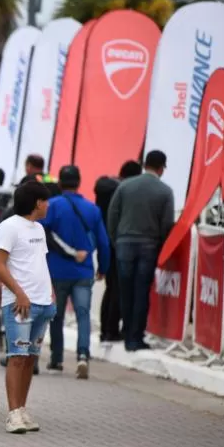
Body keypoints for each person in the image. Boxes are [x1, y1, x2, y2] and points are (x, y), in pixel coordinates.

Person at [0, 180, 55, 434]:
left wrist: (51, 294)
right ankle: (13, 413)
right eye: (46, 201)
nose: (48, 205)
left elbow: (40, 263)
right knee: (16, 357)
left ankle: (23, 409)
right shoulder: (8, 227)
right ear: (37, 203)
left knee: (30, 358)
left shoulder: (38, 229)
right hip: (19, 304)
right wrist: (19, 293)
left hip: (42, 303)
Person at [42, 165, 111, 378]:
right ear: (79, 182)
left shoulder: (51, 206)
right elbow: (103, 242)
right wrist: (103, 268)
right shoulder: (93, 209)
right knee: (83, 315)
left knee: (57, 316)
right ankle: (82, 356)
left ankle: (56, 359)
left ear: (60, 183)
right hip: (83, 271)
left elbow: (42, 233)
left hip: (56, 270)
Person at [107, 150, 175, 352]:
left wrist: (116, 240)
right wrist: (160, 245)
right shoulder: (165, 191)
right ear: (161, 168)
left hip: (124, 244)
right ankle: (135, 338)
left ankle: (126, 331)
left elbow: (113, 215)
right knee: (141, 291)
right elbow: (166, 223)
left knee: (125, 290)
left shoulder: (125, 186)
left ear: (145, 164)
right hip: (149, 245)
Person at [94, 160, 142, 342]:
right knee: (119, 289)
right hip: (120, 242)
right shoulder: (124, 191)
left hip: (105, 243)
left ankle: (106, 329)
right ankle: (112, 330)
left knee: (111, 288)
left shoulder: (105, 188)